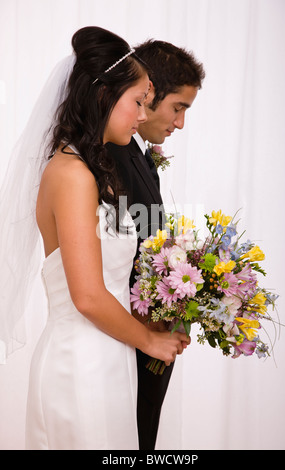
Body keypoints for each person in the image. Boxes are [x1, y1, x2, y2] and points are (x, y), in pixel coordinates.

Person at [0, 26, 190, 450]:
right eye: (138, 102)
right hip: (80, 365)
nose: (143, 115)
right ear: (105, 95)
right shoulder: (70, 174)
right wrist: (151, 341)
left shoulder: (94, 170)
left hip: (110, 357)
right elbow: (86, 295)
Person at [106, 39, 205, 450]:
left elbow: (151, 242)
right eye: (178, 108)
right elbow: (111, 254)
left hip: (153, 333)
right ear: (149, 93)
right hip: (127, 338)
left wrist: (179, 308)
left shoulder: (140, 155)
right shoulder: (104, 161)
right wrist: (151, 327)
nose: (179, 123)